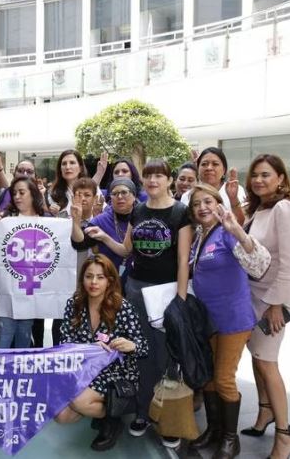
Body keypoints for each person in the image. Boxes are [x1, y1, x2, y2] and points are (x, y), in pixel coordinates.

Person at [84, 159, 192, 443]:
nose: (153, 180)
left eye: (159, 175)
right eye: (148, 176)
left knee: (166, 356)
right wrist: (104, 236)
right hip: (135, 290)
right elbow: (126, 250)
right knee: (140, 353)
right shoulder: (138, 211)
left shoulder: (181, 212)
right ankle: (143, 411)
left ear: (169, 180)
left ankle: (169, 420)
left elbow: (183, 261)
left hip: (167, 292)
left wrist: (180, 300)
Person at [187, 183, 259, 459]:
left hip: (233, 319)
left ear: (219, 205)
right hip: (209, 320)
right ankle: (214, 431)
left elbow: (255, 259)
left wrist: (238, 230)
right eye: (196, 204)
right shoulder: (199, 235)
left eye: (208, 201)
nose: (202, 207)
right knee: (208, 379)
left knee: (224, 379)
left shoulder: (226, 232)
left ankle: (231, 439)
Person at [240, 154, 290, 459]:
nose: (259, 180)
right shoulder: (258, 209)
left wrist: (277, 304)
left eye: (266, 175)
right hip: (250, 295)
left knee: (268, 362)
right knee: (255, 358)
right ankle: (265, 413)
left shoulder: (284, 208)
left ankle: (285, 434)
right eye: (255, 175)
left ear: (280, 178)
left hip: (271, 300)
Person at [55, 254, 147, 451]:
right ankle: (101, 410)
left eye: (100, 277)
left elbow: (143, 346)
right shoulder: (74, 304)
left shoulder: (122, 307)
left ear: (110, 281)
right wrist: (87, 349)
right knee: (61, 417)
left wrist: (131, 345)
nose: (94, 282)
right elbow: (63, 343)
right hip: (82, 366)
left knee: (78, 401)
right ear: (82, 279)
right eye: (89, 276)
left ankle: (112, 420)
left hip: (113, 370)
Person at [0, 177, 44, 348]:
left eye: (21, 192)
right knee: (5, 334)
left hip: (30, 288)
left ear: (33, 194)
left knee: (25, 333)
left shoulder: (46, 221)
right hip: (7, 288)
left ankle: (22, 372)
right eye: (14, 193)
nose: (17, 197)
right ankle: (0, 372)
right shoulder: (4, 219)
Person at [71, 178, 138, 284]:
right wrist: (76, 221)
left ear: (134, 196)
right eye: (115, 193)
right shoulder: (101, 220)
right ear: (110, 198)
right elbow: (80, 244)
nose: (119, 197)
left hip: (138, 281)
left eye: (124, 192)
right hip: (109, 281)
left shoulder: (143, 215)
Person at [181, 147, 246, 225]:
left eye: (215, 164)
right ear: (198, 169)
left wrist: (233, 199)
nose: (209, 168)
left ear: (224, 170)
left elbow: (242, 223)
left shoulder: (236, 190)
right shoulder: (187, 196)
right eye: (204, 164)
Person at [46, 149, 89, 217]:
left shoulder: (92, 188)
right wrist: (55, 214)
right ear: (60, 169)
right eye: (64, 164)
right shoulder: (53, 192)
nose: (67, 167)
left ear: (80, 168)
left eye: (72, 163)